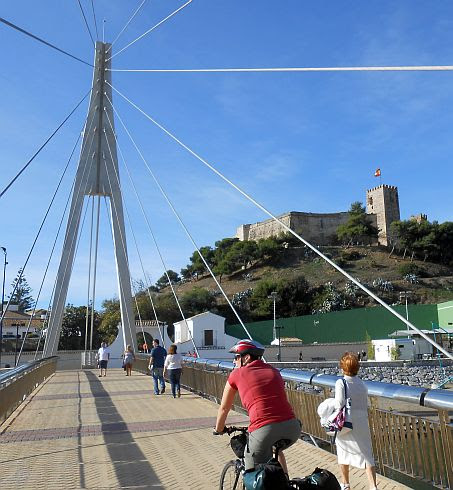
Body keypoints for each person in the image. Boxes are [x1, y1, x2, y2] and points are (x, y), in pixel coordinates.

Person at [215, 339, 301, 477]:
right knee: (276, 450)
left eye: (236, 357)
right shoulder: (274, 371)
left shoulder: (236, 374)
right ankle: (285, 481)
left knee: (252, 475)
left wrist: (219, 429)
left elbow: (224, 408)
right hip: (292, 427)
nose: (234, 361)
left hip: (264, 430)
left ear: (247, 357)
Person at [335, 352, 377, 490]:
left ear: (343, 367)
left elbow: (339, 404)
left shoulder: (341, 382)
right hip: (361, 421)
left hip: (346, 421)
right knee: (366, 453)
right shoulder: (362, 383)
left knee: (343, 451)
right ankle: (373, 485)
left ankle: (346, 484)